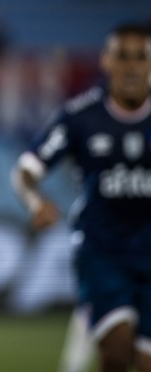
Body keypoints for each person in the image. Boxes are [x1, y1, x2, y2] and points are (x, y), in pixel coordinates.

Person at [11, 22, 151, 372]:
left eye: (141, 57)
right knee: (117, 352)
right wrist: (35, 202)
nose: (131, 66)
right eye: (123, 56)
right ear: (106, 61)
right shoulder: (80, 117)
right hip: (102, 252)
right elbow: (26, 170)